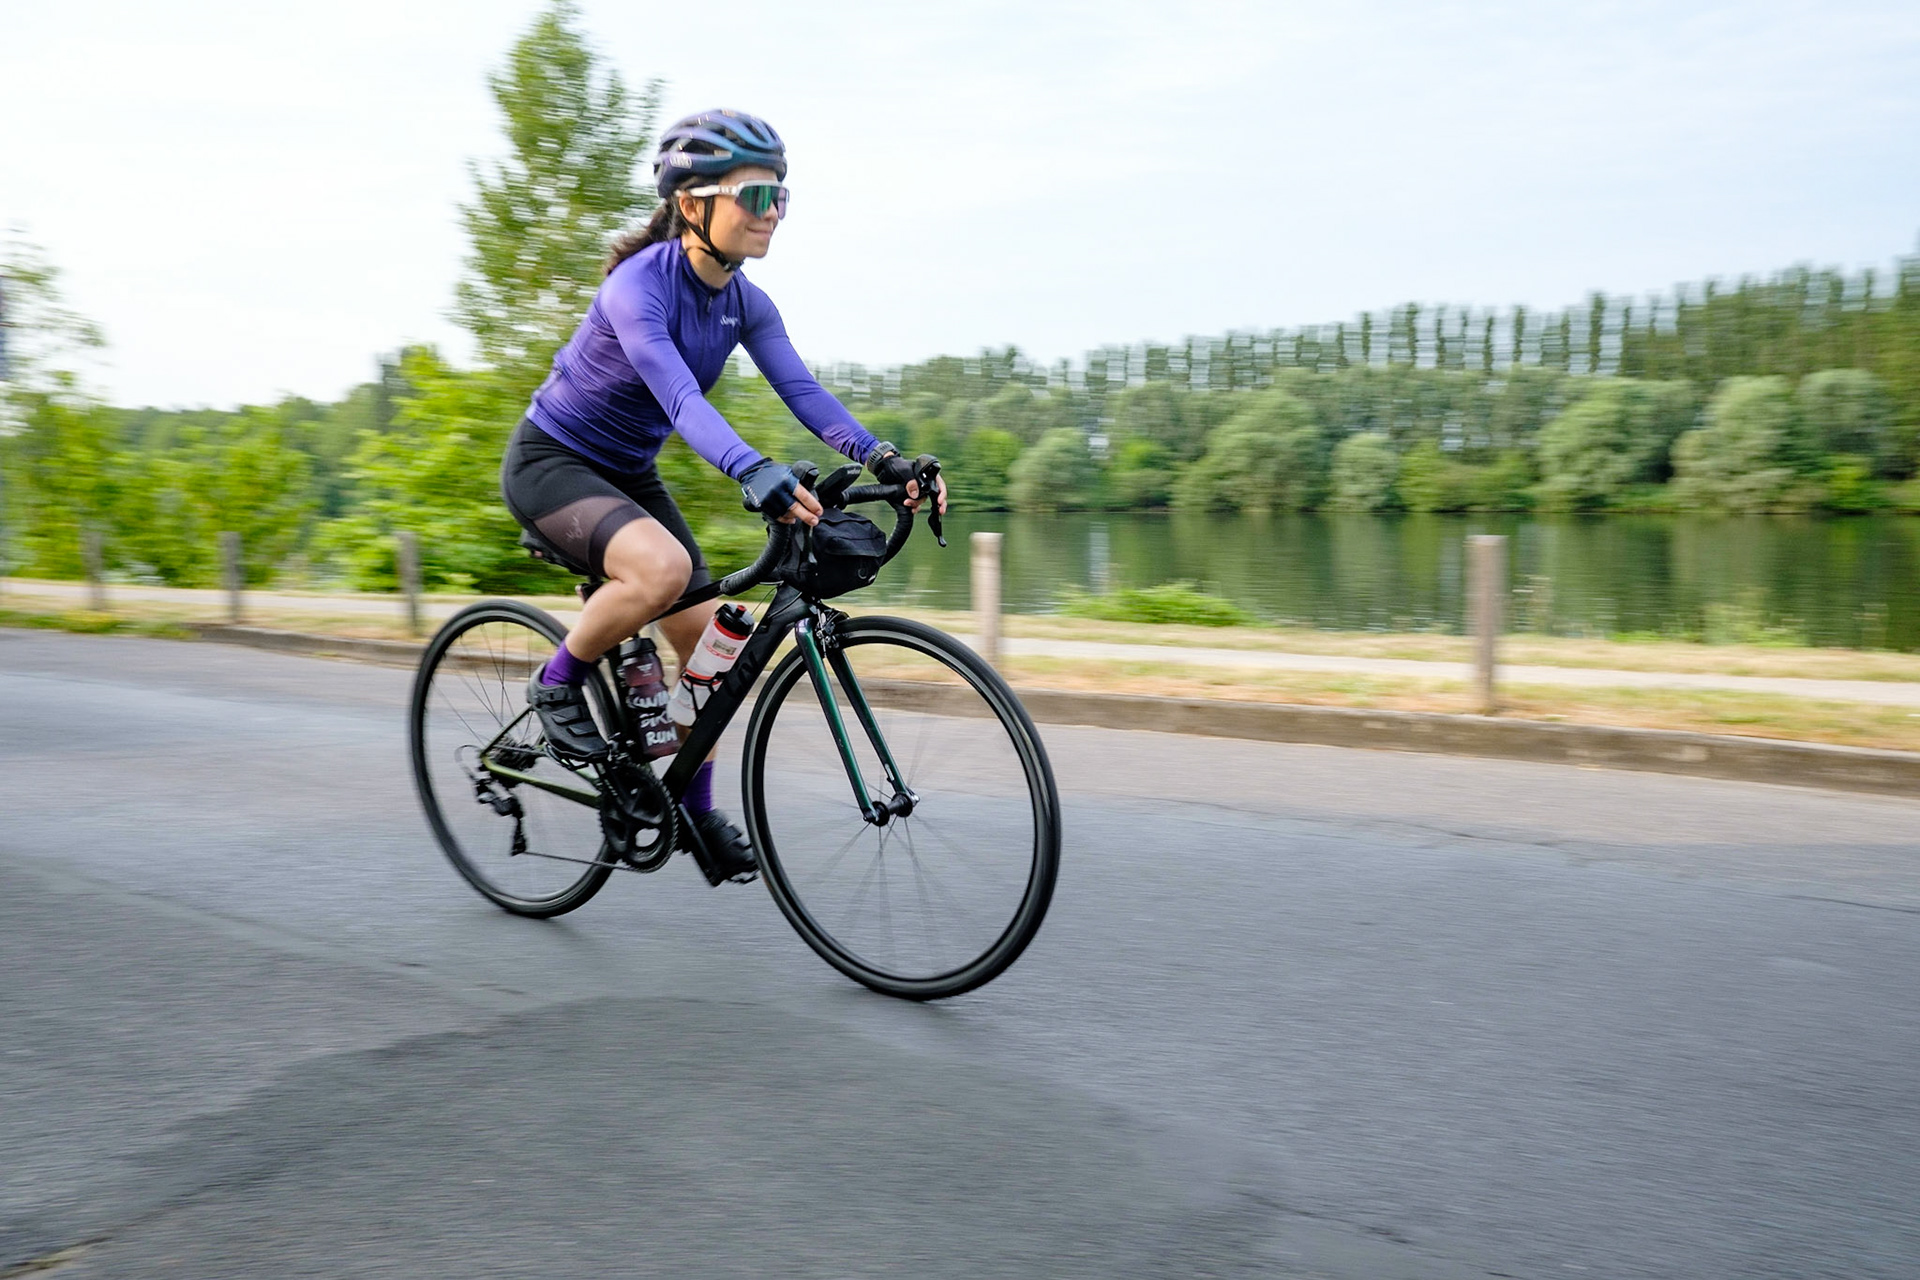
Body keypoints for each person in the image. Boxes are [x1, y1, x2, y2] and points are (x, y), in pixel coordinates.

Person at [499, 108, 945, 883]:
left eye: (782, 197)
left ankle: (692, 810)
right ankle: (555, 682)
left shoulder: (747, 301)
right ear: (693, 202)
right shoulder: (638, 287)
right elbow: (679, 399)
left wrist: (885, 458)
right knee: (662, 572)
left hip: (628, 475)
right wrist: (750, 469)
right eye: (755, 196)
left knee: (713, 649)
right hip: (552, 463)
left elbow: (802, 391)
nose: (772, 213)